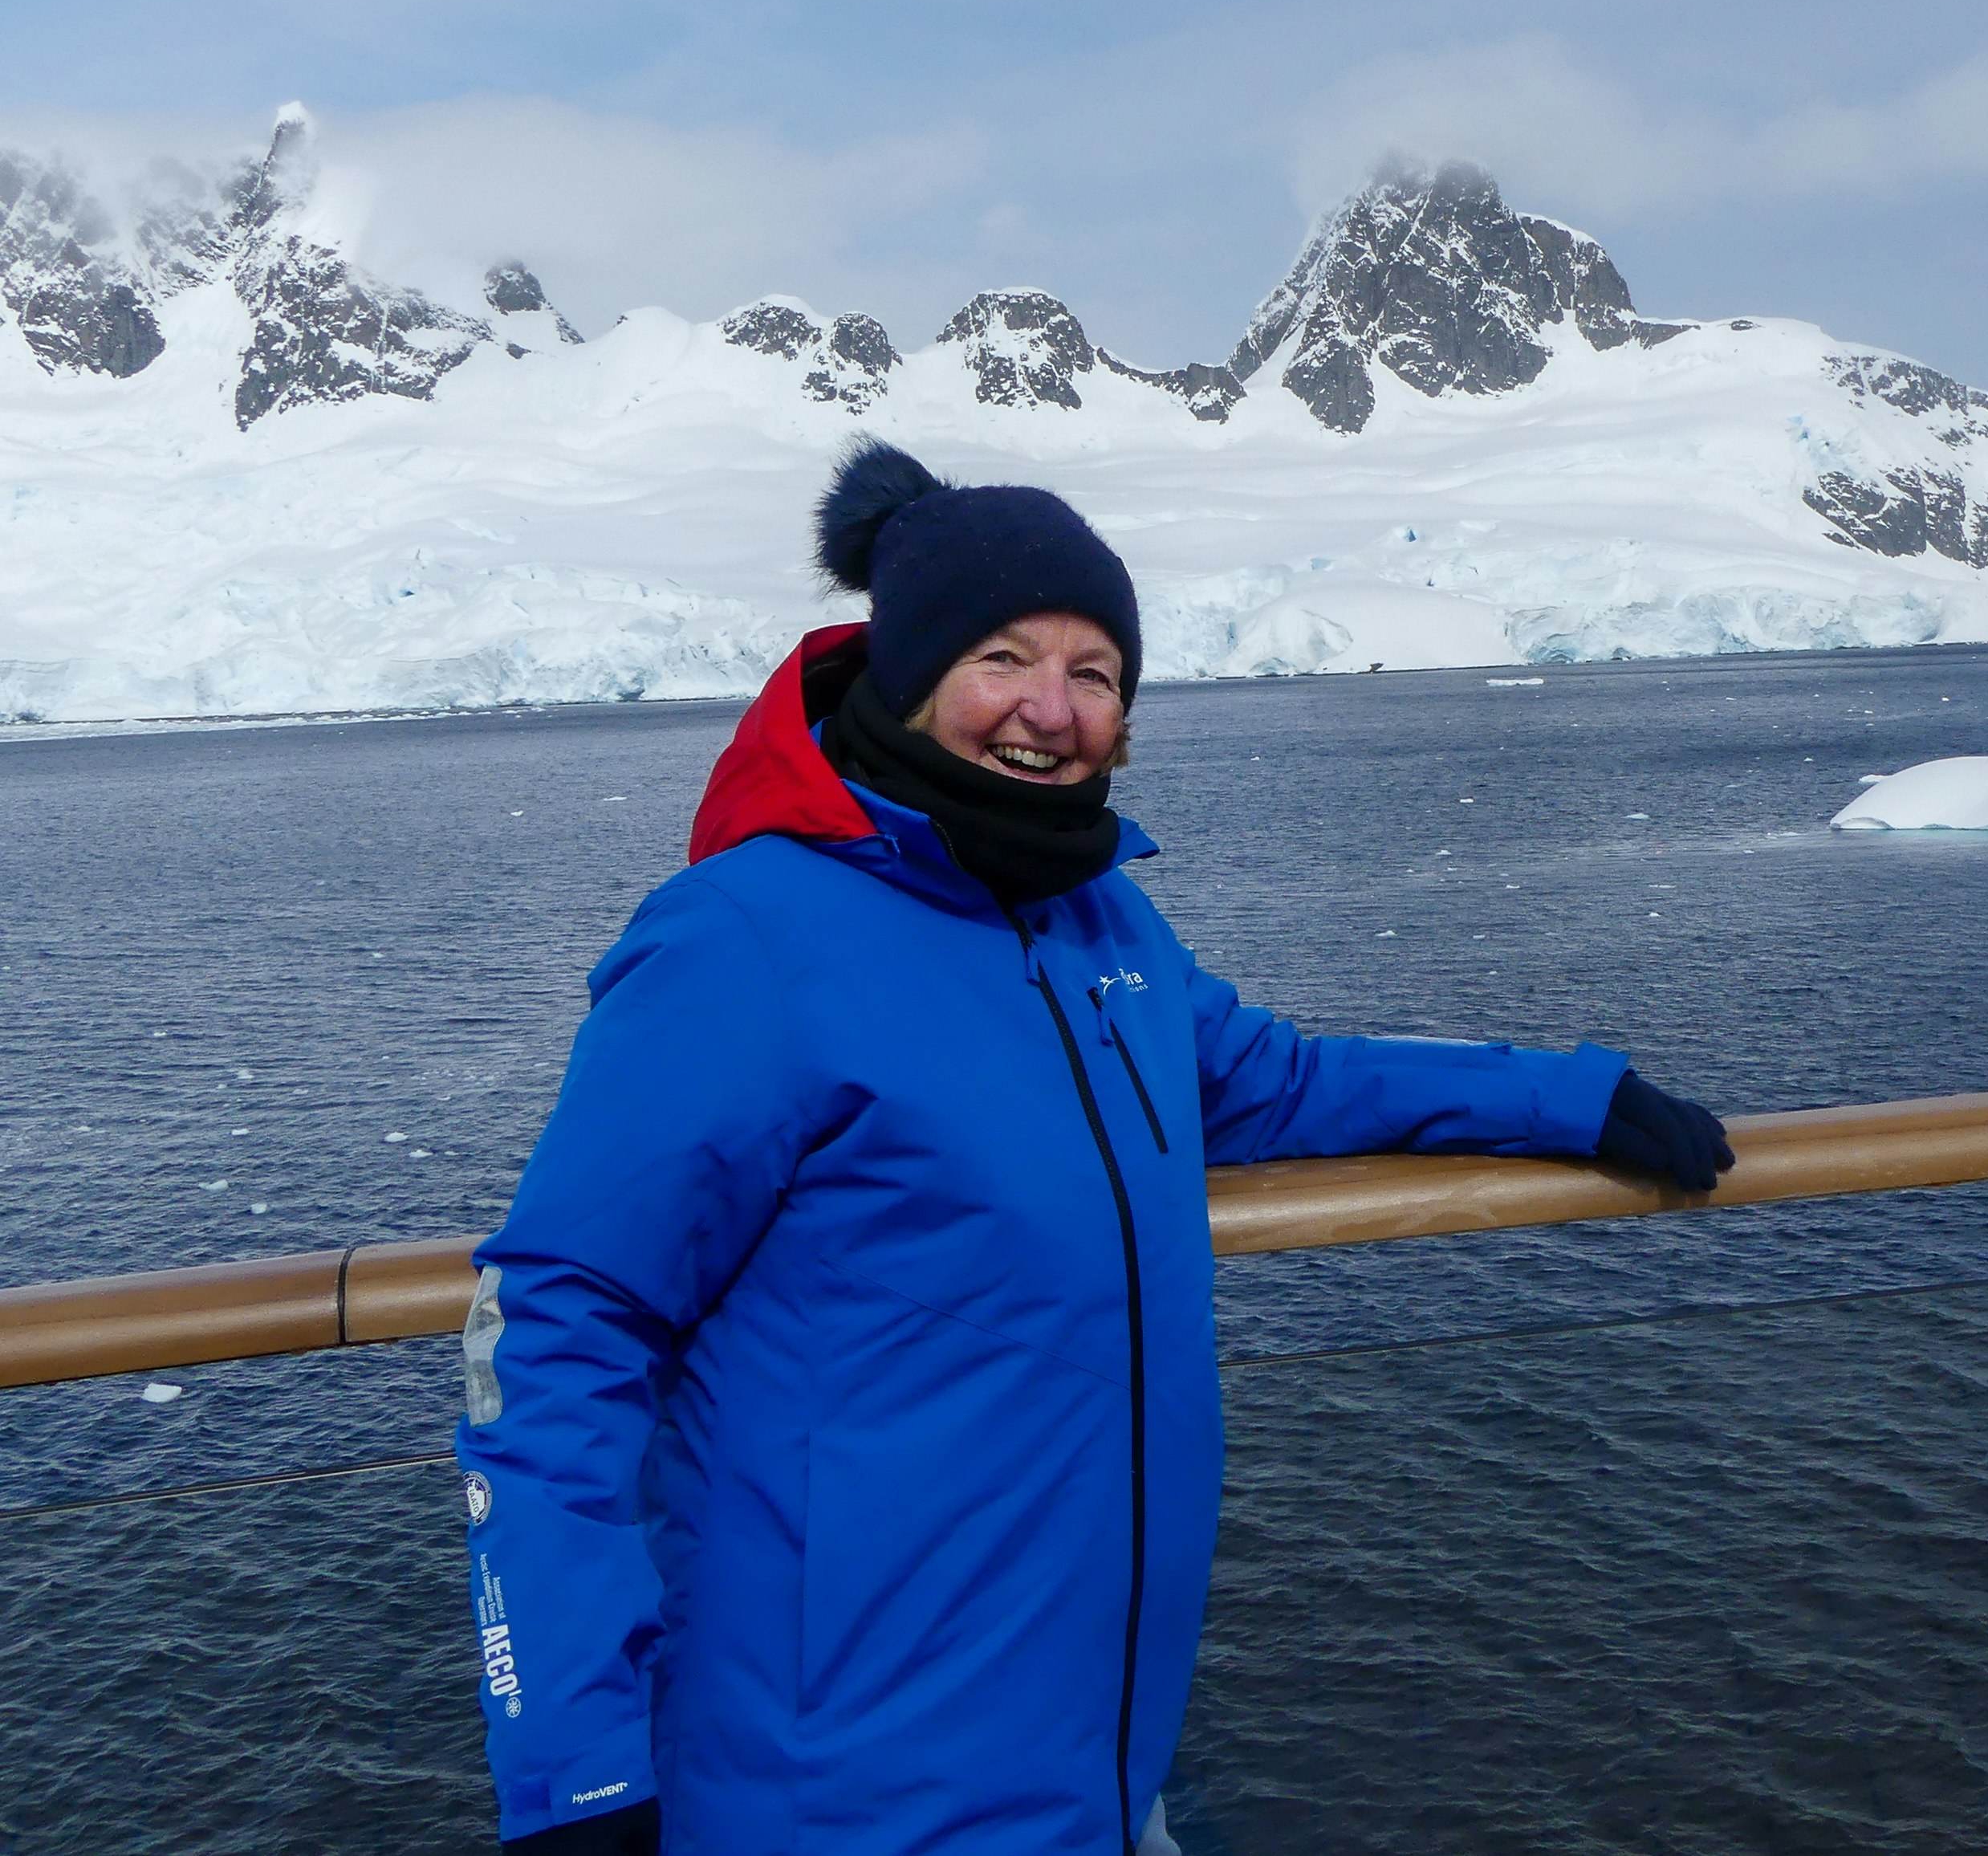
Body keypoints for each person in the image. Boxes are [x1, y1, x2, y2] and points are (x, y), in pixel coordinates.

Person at [455, 438, 1736, 1856]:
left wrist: (1565, 1098)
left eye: (1095, 672)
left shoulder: (1097, 922)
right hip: (836, 1794)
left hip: (1093, 1779)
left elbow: (1273, 1082)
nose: (1049, 711)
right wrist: (576, 1769)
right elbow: (561, 1324)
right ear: (909, 671)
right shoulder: (746, 939)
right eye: (1005, 656)